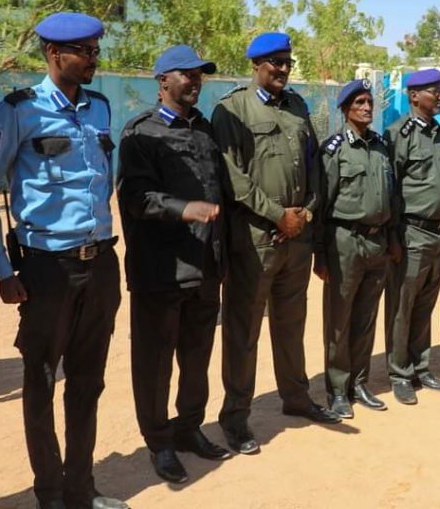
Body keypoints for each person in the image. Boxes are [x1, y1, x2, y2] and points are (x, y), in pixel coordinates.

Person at [0, 12, 127, 509]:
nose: (93, 59)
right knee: (42, 382)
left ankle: (81, 490)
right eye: (83, 51)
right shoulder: (18, 111)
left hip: (101, 263)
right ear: (53, 54)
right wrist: (3, 269)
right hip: (47, 268)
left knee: (88, 382)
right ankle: (50, 494)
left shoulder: (101, 108)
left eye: (94, 50)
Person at [212, 32, 339, 456]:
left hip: (296, 240)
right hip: (256, 241)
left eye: (286, 61)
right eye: (274, 63)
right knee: (243, 331)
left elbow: (314, 166)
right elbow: (233, 177)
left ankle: (296, 397)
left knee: (291, 323)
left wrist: (305, 211)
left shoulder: (297, 106)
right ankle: (235, 418)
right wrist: (277, 215)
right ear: (256, 65)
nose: (282, 69)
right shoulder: (232, 110)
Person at [117, 46, 231, 485]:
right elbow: (134, 198)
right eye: (187, 74)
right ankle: (160, 442)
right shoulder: (140, 132)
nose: (196, 81)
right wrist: (185, 208)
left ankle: (188, 429)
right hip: (161, 270)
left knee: (197, 358)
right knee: (155, 363)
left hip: (206, 266)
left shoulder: (204, 129)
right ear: (163, 80)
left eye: (200, 75)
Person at [315, 79, 397, 418]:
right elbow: (321, 204)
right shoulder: (334, 149)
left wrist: (391, 240)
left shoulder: (380, 146)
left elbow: (391, 196)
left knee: (366, 317)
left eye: (369, 102)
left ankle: (359, 383)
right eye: (359, 102)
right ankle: (337, 390)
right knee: (339, 320)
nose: (366, 108)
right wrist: (320, 255)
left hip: (378, 241)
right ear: (345, 109)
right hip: (344, 241)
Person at [384, 69, 440, 405]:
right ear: (413, 96)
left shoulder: (439, 133)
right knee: (403, 305)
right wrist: (394, 237)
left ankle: (421, 367)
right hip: (413, 231)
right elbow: (390, 186)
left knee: (426, 303)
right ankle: (400, 373)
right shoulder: (401, 133)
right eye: (433, 91)